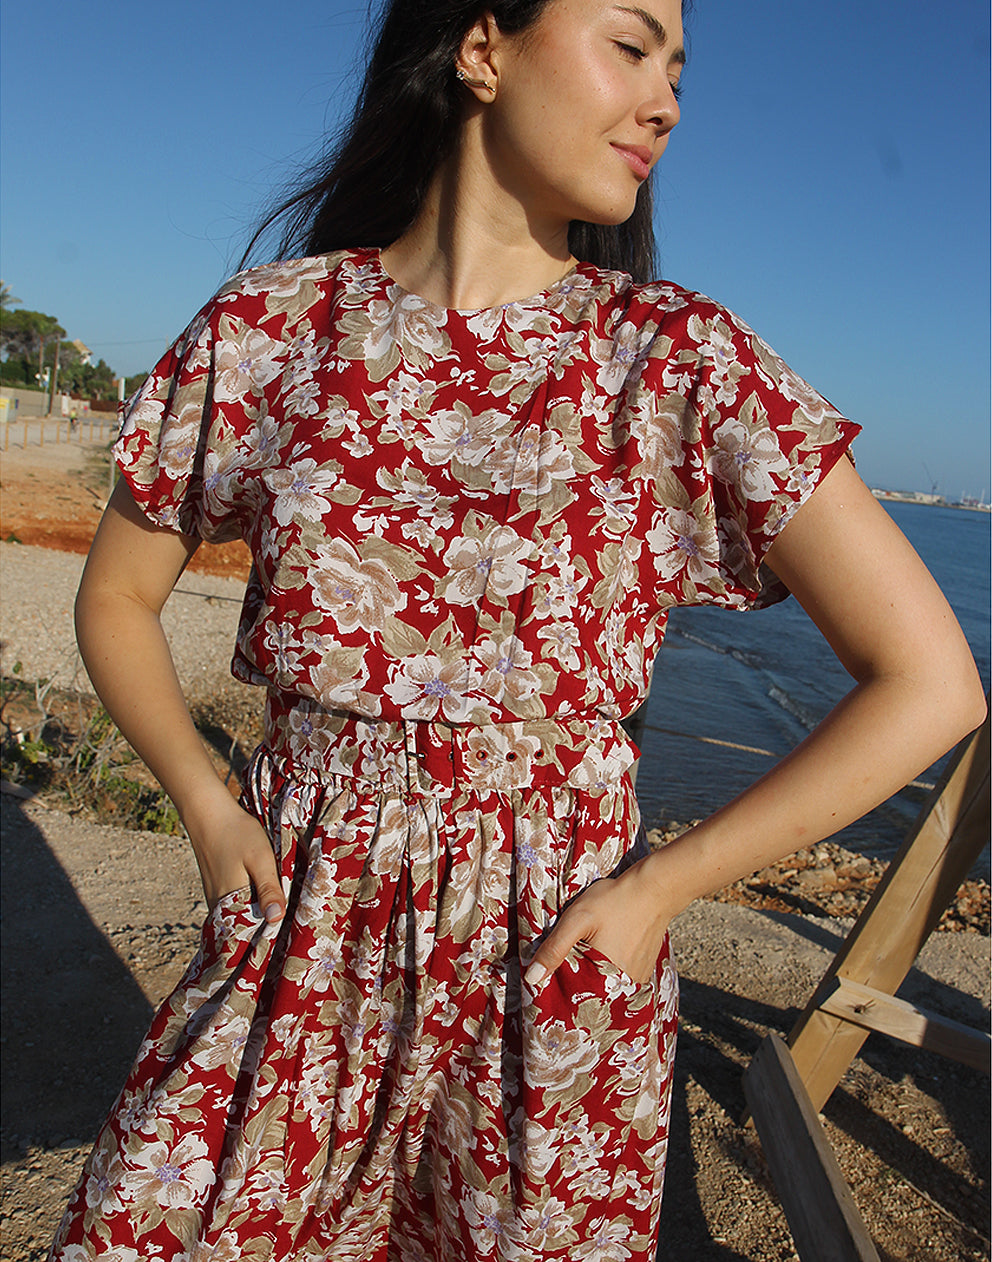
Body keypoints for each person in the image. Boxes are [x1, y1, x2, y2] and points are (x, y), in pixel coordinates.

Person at [50, 1, 985, 1258]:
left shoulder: (674, 361)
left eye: (679, 67)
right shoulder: (270, 331)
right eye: (629, 43)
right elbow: (115, 594)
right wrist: (207, 804)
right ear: (481, 49)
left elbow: (931, 682)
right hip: (292, 941)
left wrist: (662, 886)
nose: (665, 100)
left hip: (547, 968)